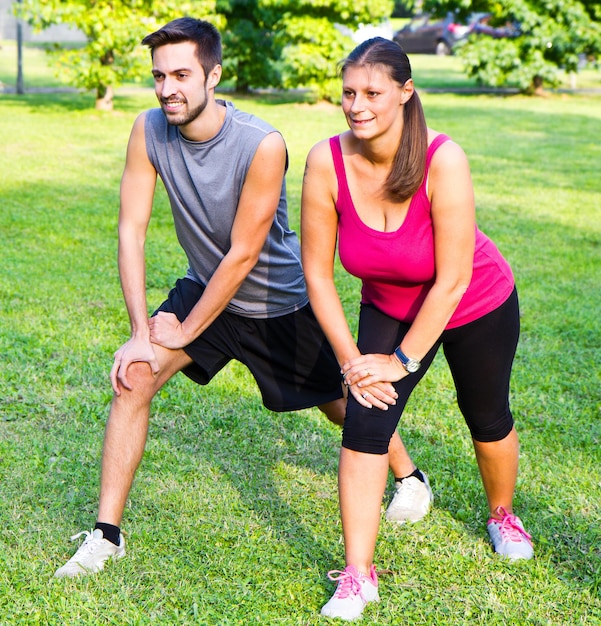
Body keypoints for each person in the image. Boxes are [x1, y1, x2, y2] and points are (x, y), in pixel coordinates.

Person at [54, 19, 431, 579]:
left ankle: (409, 478)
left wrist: (182, 331)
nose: (167, 89)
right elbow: (131, 229)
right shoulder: (148, 130)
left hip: (277, 303)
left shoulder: (262, 143)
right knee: (135, 374)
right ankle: (107, 536)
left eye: (182, 74)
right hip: (205, 289)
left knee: (339, 401)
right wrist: (142, 331)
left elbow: (243, 256)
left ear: (214, 75)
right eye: (159, 76)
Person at [301, 37, 533, 621]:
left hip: (475, 301)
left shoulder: (442, 159)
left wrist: (399, 361)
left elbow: (452, 279)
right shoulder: (325, 161)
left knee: (486, 416)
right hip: (388, 304)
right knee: (363, 422)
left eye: (372, 92)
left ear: (406, 92)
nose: (357, 105)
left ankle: (502, 512)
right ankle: (358, 574)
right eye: (349, 92)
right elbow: (317, 275)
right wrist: (356, 360)